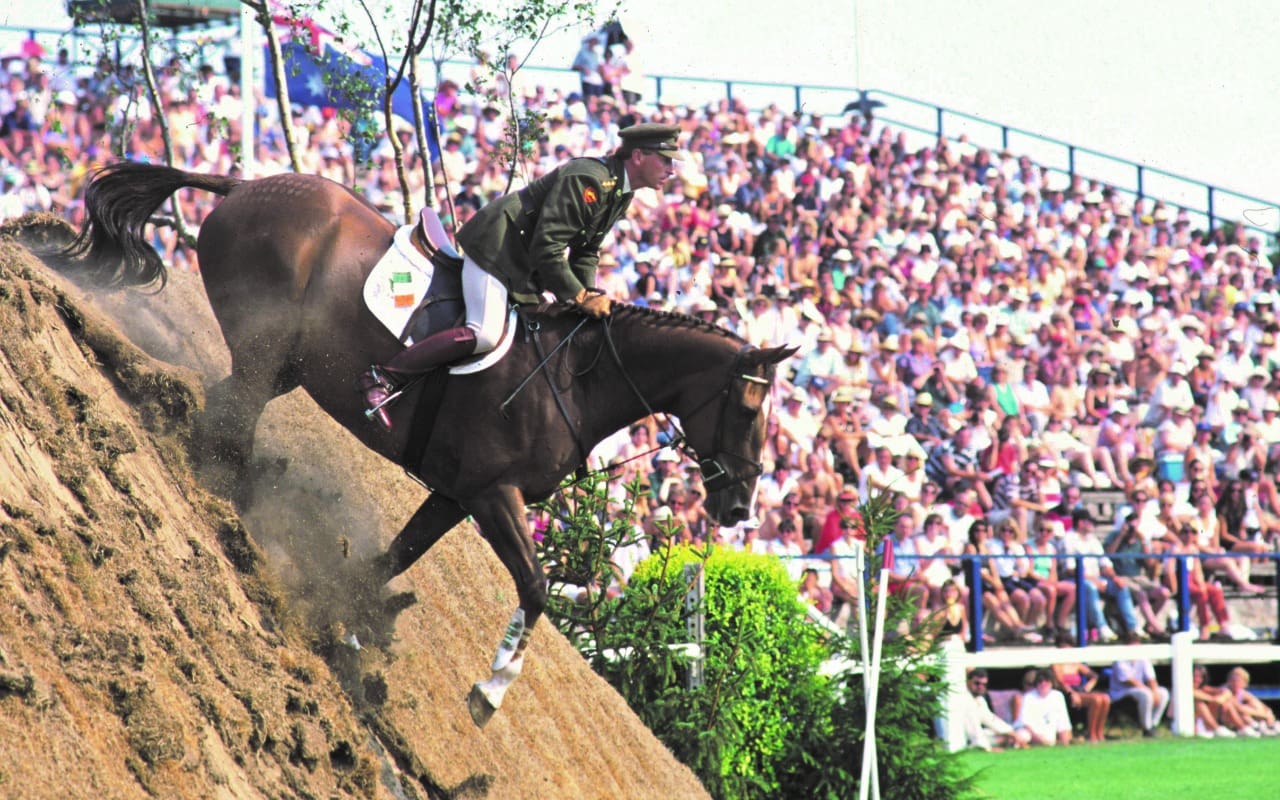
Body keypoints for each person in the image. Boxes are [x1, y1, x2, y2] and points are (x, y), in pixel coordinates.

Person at [360, 123, 682, 429]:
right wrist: (577, 296)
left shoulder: (620, 191)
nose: (672, 170)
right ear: (638, 156)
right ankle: (385, 377)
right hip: (497, 250)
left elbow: (586, 251)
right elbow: (549, 245)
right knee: (484, 332)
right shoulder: (591, 178)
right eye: (666, 160)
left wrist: (590, 293)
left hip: (523, 266)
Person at [1109, 636, 1170, 737]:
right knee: (1145, 694)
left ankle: (1153, 724)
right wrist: (1149, 691)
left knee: (1163, 693)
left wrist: (1154, 691)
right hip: (1120, 692)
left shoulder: (1143, 658)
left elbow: (1151, 678)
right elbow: (1128, 681)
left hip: (1139, 689)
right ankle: (1146, 727)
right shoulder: (1120, 660)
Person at [958, 669, 1030, 751]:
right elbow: (973, 730)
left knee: (1022, 735)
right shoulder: (965, 700)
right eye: (977, 683)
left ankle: (1013, 741)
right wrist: (988, 749)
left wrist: (1012, 733)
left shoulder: (979, 700)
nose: (980, 687)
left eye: (983, 684)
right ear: (968, 682)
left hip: (980, 735)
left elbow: (991, 720)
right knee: (1003, 738)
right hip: (968, 739)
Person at [1051, 656, 1111, 743]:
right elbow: (1061, 682)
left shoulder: (1076, 663)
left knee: (1105, 698)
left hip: (1079, 690)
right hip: (1067, 693)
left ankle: (1099, 733)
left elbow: (1094, 676)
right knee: (1096, 700)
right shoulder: (1057, 665)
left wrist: (1088, 686)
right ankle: (1091, 734)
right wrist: (1072, 693)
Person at [1015, 669, 1073, 746]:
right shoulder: (1028, 697)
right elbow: (1025, 723)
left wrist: (1065, 743)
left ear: (1052, 683)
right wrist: (1038, 739)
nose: (1043, 684)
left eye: (1046, 681)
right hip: (1030, 733)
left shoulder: (1058, 696)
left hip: (1048, 735)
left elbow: (1063, 722)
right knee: (1022, 736)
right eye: (1040, 681)